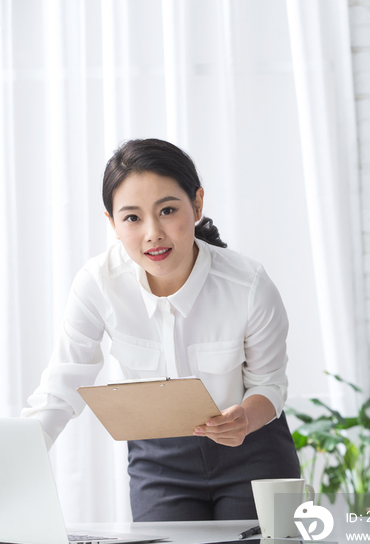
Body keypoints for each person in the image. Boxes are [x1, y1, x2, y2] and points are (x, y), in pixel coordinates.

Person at [22, 138, 300, 521]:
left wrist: (245, 419)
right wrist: (19, 458)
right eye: (132, 218)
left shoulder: (249, 285)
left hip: (254, 450)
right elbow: (61, 387)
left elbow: (270, 383)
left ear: (197, 204)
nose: (152, 233)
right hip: (160, 464)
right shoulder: (98, 283)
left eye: (167, 210)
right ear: (112, 223)